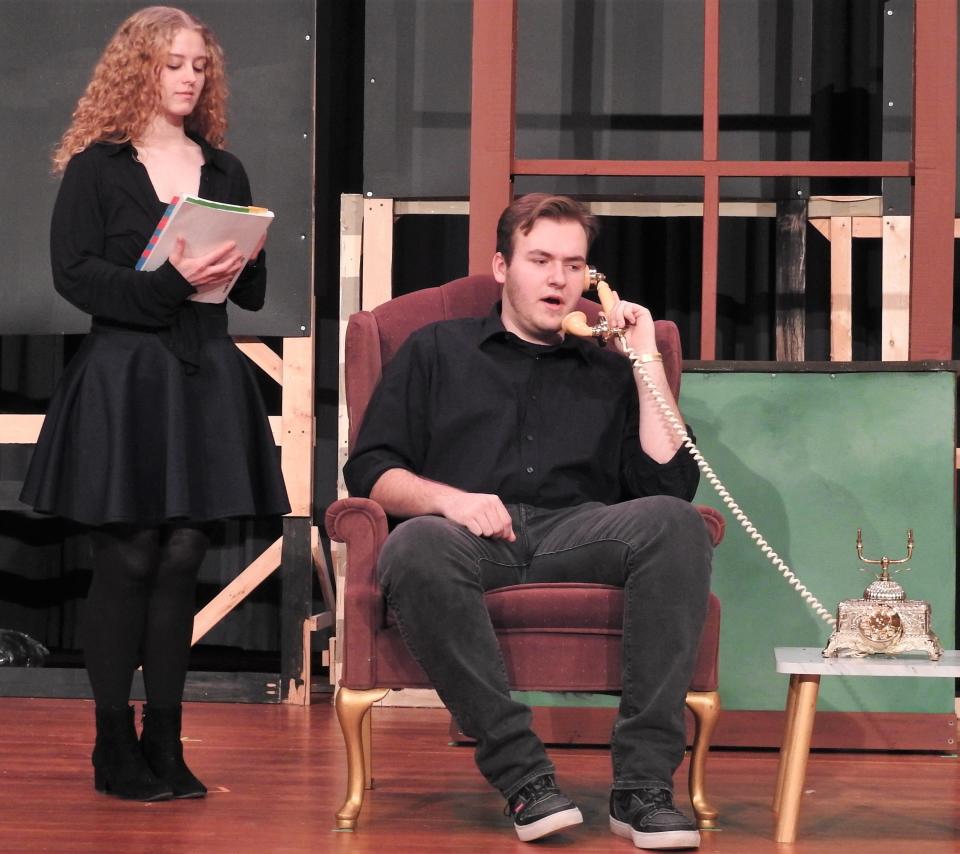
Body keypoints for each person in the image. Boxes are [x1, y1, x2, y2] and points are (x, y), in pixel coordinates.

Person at [343, 193, 712, 850]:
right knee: (418, 546)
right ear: (502, 267)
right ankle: (525, 778)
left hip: (580, 533)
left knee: (675, 527)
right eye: (540, 260)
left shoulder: (608, 363)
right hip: (467, 536)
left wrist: (645, 357)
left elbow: (668, 485)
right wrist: (448, 501)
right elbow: (371, 469)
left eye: (574, 265)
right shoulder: (437, 349)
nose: (558, 278)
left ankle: (643, 788)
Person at [20, 6, 289, 802]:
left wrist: (246, 257)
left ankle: (164, 741)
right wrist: (171, 282)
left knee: (180, 560)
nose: (188, 77)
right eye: (173, 63)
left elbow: (249, 289)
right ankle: (112, 744)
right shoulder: (99, 167)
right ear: (138, 68)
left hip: (202, 370)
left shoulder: (225, 169)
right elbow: (76, 276)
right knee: (130, 553)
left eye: (199, 65)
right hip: (126, 374)